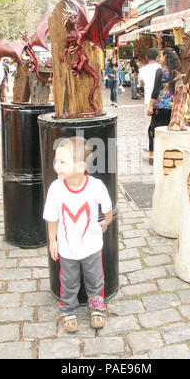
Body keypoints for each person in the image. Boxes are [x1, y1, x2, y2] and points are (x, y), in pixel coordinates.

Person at [43, 137, 113, 333]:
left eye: (63, 162)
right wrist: (52, 240)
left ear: (81, 166)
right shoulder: (56, 189)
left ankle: (97, 306)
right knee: (68, 281)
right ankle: (68, 310)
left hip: (91, 246)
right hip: (67, 249)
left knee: (95, 279)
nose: (57, 165)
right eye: (56, 160)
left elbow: (108, 208)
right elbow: (52, 216)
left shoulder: (95, 186)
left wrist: (106, 222)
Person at [147, 47, 181, 165]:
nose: (160, 58)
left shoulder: (160, 71)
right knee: (170, 131)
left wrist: (151, 106)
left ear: (165, 56)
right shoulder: (177, 71)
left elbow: (156, 90)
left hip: (160, 106)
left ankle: (152, 156)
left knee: (153, 130)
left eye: (161, 55)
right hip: (173, 107)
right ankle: (169, 155)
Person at [138, 49, 161, 152]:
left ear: (146, 58)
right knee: (160, 123)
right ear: (157, 57)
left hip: (148, 100)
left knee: (148, 123)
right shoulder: (161, 68)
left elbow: (142, 82)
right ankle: (161, 144)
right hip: (160, 100)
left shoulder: (142, 70)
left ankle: (149, 145)